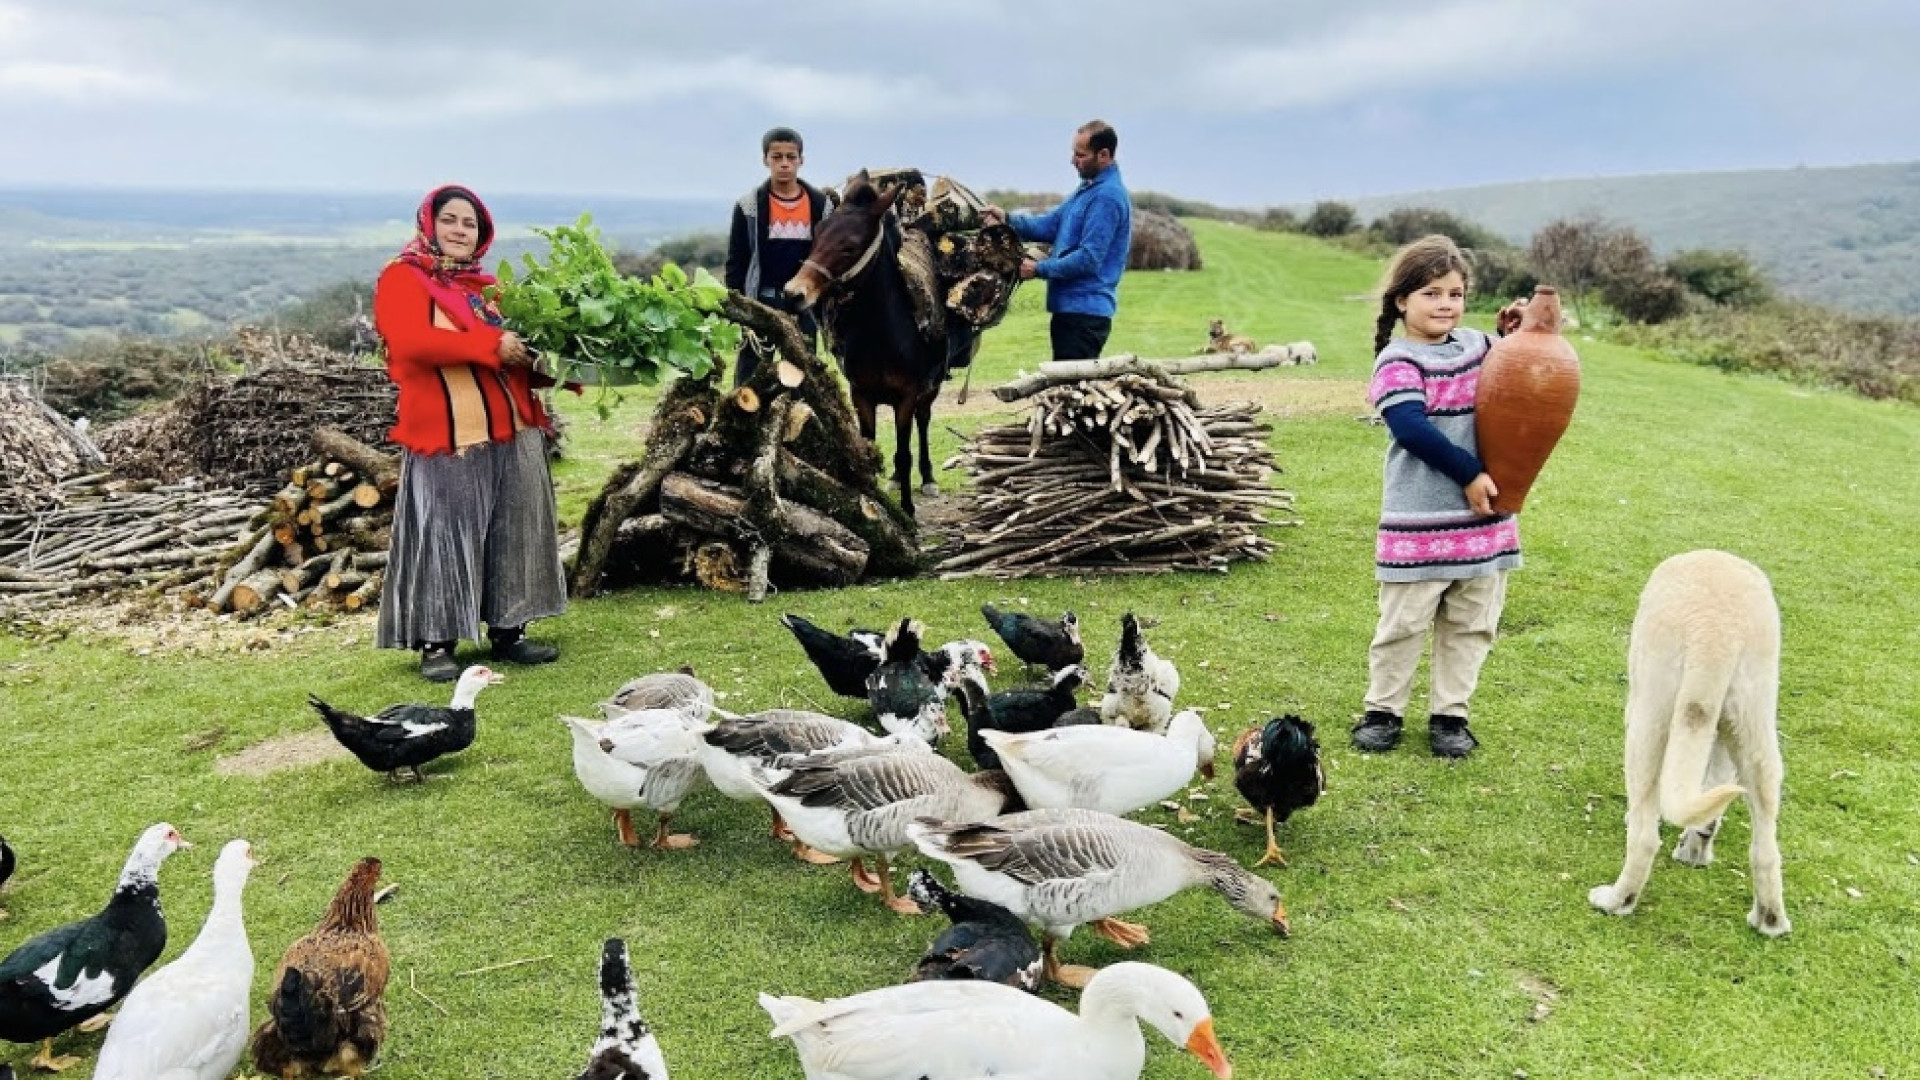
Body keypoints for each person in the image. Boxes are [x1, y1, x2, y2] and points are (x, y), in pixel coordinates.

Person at [372, 184, 567, 682]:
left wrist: (553, 362)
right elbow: (410, 342)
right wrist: (490, 345)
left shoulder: (486, 288)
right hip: (449, 430)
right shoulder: (403, 277)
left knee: (515, 524)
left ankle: (510, 630)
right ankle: (437, 642)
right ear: (429, 224)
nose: (460, 231)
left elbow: (515, 351)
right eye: (450, 220)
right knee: (445, 530)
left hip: (514, 426)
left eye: (470, 223)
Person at [1352, 235, 1527, 758]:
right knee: (1402, 626)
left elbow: (1518, 369)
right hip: (1419, 523)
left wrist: (1518, 333)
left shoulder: (1478, 345)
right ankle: (1383, 711)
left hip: (1484, 524)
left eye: (1455, 293)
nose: (1446, 304)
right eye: (1431, 293)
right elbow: (1411, 428)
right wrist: (1470, 473)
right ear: (1402, 300)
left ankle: (1450, 716)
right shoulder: (1398, 360)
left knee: (1471, 625)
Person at [981, 119, 1132, 361]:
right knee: (1065, 382)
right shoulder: (1087, 189)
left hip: (1084, 315)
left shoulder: (1107, 197)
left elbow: (1089, 258)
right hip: (1071, 312)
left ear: (1103, 155)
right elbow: (1050, 225)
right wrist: (1007, 219)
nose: (1073, 161)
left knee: (1071, 383)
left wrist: (1039, 269)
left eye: (1080, 155)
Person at [725, 126, 833, 386]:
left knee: (803, 377)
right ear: (766, 160)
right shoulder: (749, 207)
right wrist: (738, 306)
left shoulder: (821, 206)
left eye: (790, 157)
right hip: (761, 301)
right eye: (777, 157)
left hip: (804, 304)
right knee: (750, 379)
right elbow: (736, 260)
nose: (784, 163)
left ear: (801, 160)